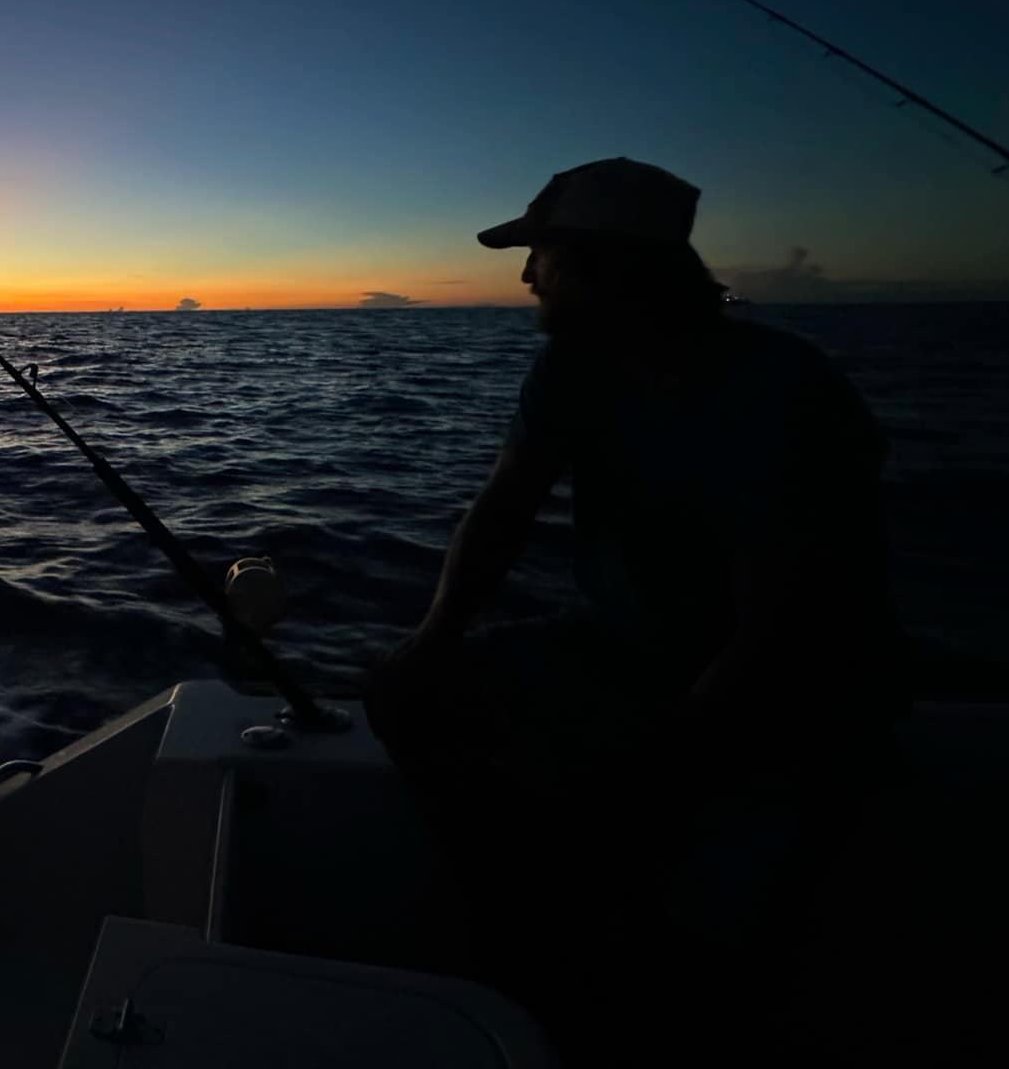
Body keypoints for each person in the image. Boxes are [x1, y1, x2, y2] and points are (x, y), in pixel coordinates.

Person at [367, 157, 904, 1065]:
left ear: (599, 265)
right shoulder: (570, 369)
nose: (525, 275)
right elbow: (505, 508)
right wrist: (433, 638)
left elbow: (787, 607)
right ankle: (525, 931)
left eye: (541, 255)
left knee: (663, 842)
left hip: (797, 685)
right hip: (635, 649)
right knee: (404, 696)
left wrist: (677, 743)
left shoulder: (783, 388)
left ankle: (632, 980)